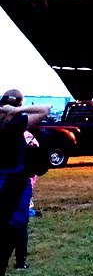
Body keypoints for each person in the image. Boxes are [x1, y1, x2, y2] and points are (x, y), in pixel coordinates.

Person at [0, 91, 48, 275]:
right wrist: (18, 110)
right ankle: (18, 260)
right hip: (16, 180)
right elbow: (45, 109)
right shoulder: (16, 123)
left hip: (6, 179)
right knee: (16, 224)